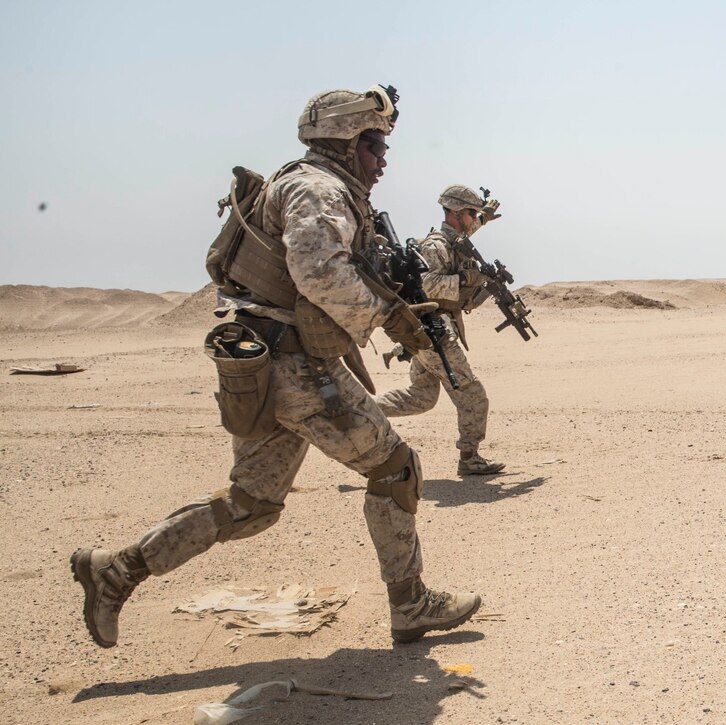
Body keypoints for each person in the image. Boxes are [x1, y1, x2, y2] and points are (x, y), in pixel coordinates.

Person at [69, 86, 481, 649]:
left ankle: (115, 569)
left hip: (266, 360)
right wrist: (390, 314)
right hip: (295, 364)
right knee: (396, 469)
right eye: (374, 144)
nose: (383, 159)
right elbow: (320, 275)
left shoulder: (318, 186)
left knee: (251, 505)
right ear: (343, 140)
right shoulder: (316, 187)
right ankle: (409, 604)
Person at [375, 185, 506, 476]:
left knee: (420, 397)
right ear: (458, 213)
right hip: (434, 333)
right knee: (473, 396)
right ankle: (470, 458)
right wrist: (468, 277)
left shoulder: (453, 240)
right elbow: (428, 283)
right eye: (472, 214)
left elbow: (462, 239)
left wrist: (483, 217)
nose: (475, 219)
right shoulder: (436, 246)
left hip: (427, 332)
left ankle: (361, 408)